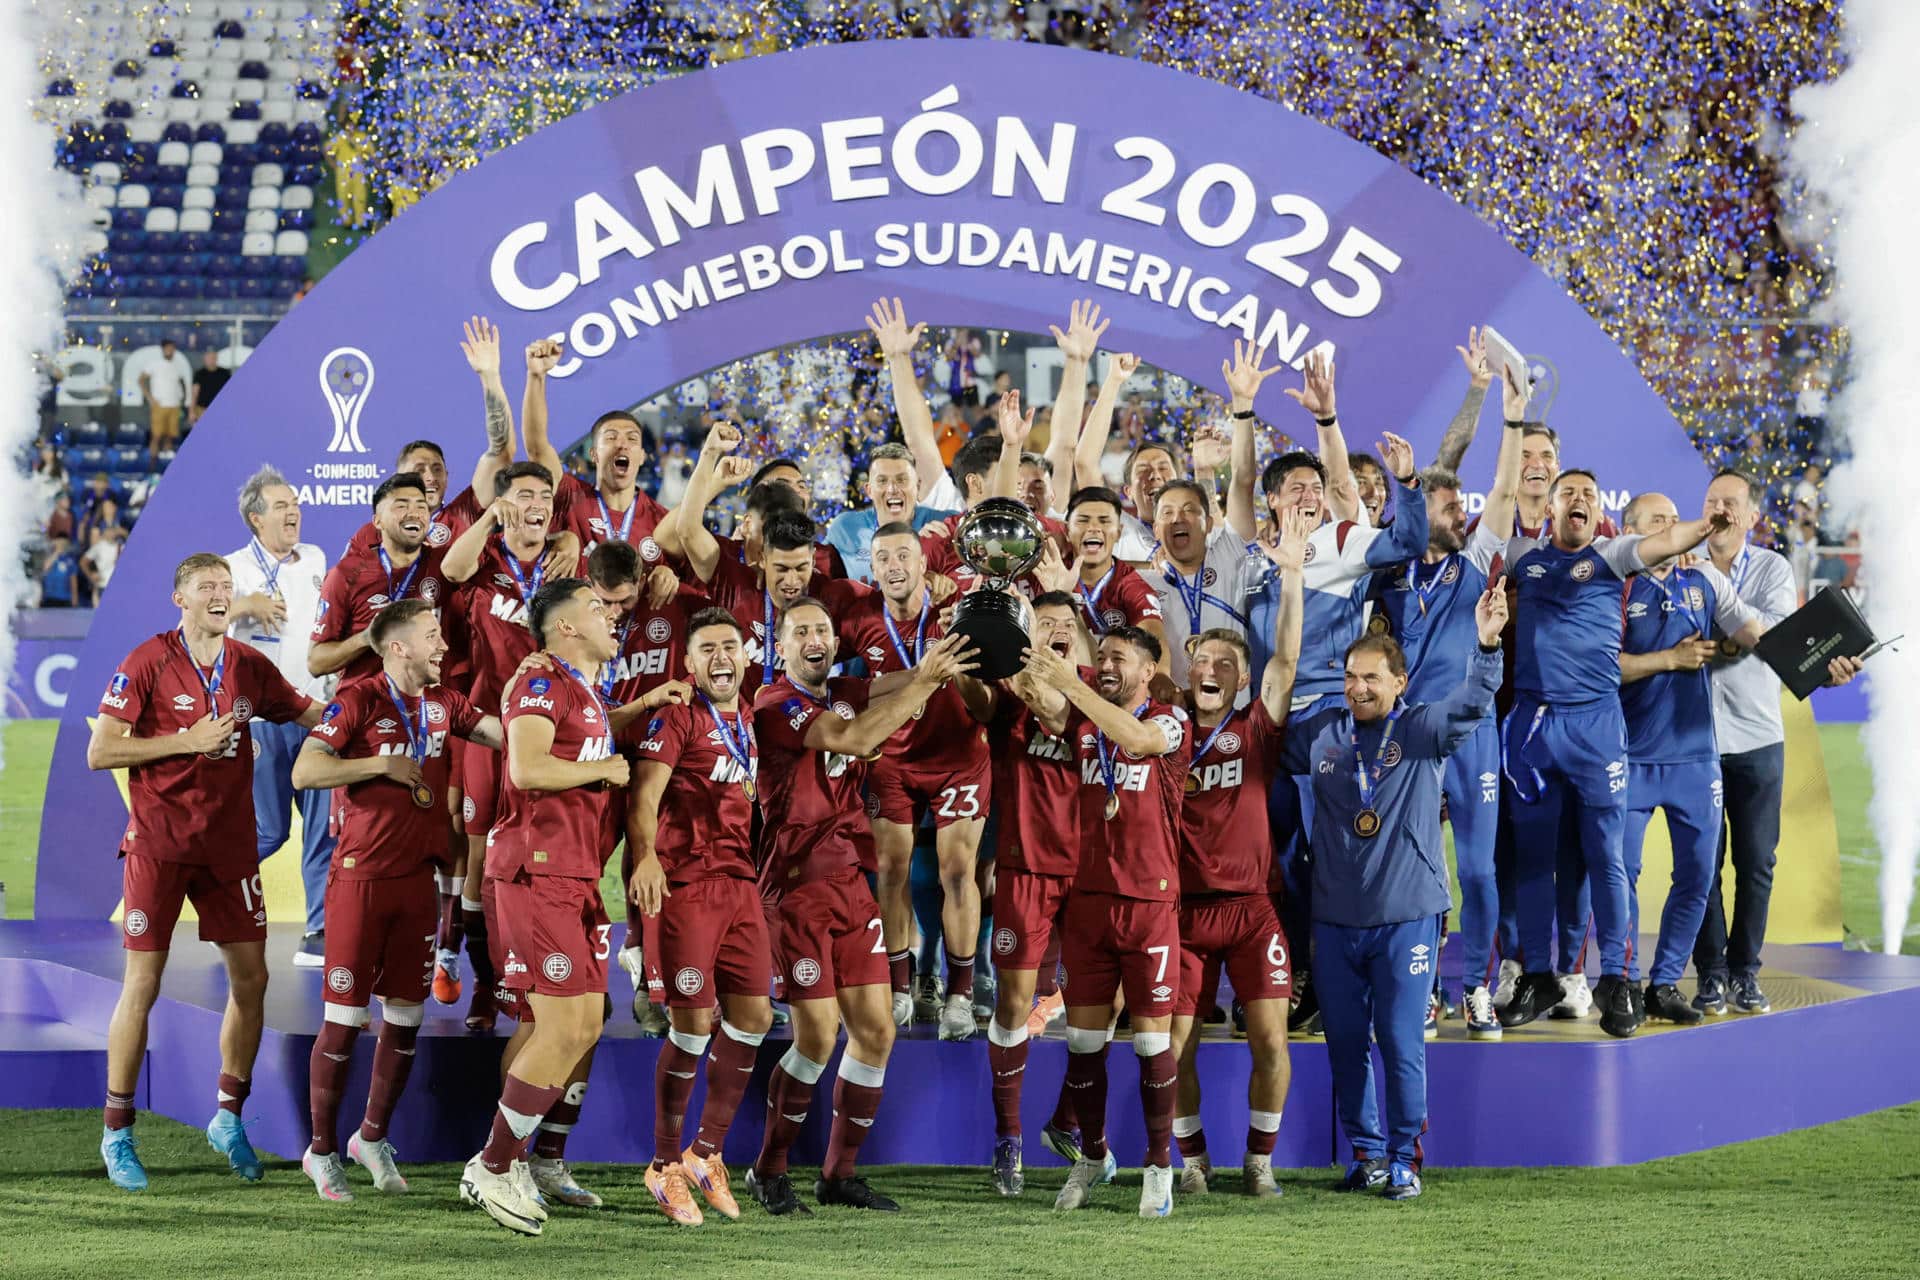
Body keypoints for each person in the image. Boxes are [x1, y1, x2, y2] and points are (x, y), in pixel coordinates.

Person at [1475, 375, 1747, 1038]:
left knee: (1604, 860)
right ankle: (1538, 976)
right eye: (1567, 492)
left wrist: (1704, 526)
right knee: (1536, 860)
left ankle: (1618, 983)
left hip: (1599, 726)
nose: (1577, 500)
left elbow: (1664, 543)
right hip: (1533, 727)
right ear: (1551, 504)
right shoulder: (1519, 556)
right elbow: (1502, 500)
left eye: (1587, 495)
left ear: (1597, 512)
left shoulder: (1612, 555)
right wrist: (1512, 427)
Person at [88, 553, 323, 1192]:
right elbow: (101, 750)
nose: (220, 595)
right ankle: (117, 1132)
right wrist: (185, 742)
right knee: (143, 982)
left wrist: (373, 721)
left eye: (226, 586)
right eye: (206, 587)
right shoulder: (147, 661)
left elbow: (306, 712)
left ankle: (227, 1115)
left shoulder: (248, 666)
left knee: (253, 980)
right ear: (179, 599)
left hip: (228, 851)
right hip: (159, 847)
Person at [745, 599, 972, 1216]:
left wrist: (942, 662)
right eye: (801, 632)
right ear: (779, 647)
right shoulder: (774, 704)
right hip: (794, 889)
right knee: (817, 1036)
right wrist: (925, 682)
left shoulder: (843, 687)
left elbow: (889, 685)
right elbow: (857, 736)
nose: (815, 638)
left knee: (876, 1030)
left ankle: (838, 1174)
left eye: (823, 629)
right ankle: (767, 1170)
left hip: (850, 882)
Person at [1295, 575, 1508, 1202]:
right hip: (1335, 920)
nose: (1359, 689)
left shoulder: (1421, 730)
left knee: (1397, 1039)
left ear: (1399, 683)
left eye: (1372, 679)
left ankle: (1404, 1156)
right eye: (1352, 678)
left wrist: (1487, 646)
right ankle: (1366, 1154)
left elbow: (1473, 702)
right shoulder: (1322, 736)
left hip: (1408, 916)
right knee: (1343, 1047)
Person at [291, 599, 503, 1201]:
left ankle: (372, 1138)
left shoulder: (444, 703)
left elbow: (501, 733)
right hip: (359, 882)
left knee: (406, 1018)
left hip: (418, 884)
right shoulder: (358, 699)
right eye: (432, 637)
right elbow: (306, 771)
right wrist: (380, 762)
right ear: (397, 648)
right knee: (345, 1020)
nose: (443, 646)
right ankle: (322, 1150)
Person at [462, 579, 637, 1236]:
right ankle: (493, 1163)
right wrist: (605, 772)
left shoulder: (584, 691)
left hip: (576, 874)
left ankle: (519, 1161)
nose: (611, 613)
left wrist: (643, 703)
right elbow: (527, 768)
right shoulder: (541, 684)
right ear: (564, 628)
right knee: (561, 1027)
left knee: (586, 1023)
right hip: (536, 871)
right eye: (597, 607)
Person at [1013, 626, 1190, 1219]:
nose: (1107, 666)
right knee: (1084, 1044)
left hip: (1149, 908)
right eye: (1103, 657)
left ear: (1147, 670)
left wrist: (1075, 685)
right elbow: (1036, 693)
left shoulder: (1170, 720)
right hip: (1088, 905)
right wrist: (1020, 637)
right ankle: (1092, 1156)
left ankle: (1160, 1166)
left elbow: (1135, 736)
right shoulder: (1084, 722)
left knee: (1149, 1043)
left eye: (1120, 658)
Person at [1168, 508, 1308, 1198]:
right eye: (1203, 659)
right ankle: (1193, 1162)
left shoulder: (1254, 728)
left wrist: (1291, 577)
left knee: (1272, 1042)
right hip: (1184, 914)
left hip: (1253, 910)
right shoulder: (1160, 734)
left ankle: (1259, 1163)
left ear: (1242, 678)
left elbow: (1285, 658)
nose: (1212, 667)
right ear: (1188, 669)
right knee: (1174, 1047)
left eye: (1226, 662)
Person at [624, 608, 774, 1226]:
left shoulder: (752, 717)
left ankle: (705, 1151)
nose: (720, 656)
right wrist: (647, 858)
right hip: (686, 887)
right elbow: (643, 796)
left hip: (740, 886)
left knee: (754, 1017)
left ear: (745, 655)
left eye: (730, 645)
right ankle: (661, 1165)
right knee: (689, 1030)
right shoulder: (678, 717)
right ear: (687, 663)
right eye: (707, 647)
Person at [1698, 468, 1859, 1013]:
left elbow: (1768, 640)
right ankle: (1711, 972)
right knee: (1701, 865)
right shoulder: (1678, 561)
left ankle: (1744, 969)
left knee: (1757, 862)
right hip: (1690, 739)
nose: (1718, 509)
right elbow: (1722, 637)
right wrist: (1738, 637)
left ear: (1751, 517)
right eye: (1711, 500)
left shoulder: (1770, 567)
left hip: (1756, 737)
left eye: (1729, 502)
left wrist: (1721, 630)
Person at [839, 523, 994, 1036]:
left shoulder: (958, 613)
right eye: (882, 558)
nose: (894, 566)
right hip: (893, 762)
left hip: (960, 759)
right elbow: (821, 671)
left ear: (925, 563)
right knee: (889, 870)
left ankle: (960, 994)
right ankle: (899, 988)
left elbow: (986, 707)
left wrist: (960, 654)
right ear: (872, 568)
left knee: (956, 873)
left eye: (904, 555)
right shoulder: (861, 618)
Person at [1616, 492, 1764, 1026]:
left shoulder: (1701, 579)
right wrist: (1669, 659)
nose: (1674, 529)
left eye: (1676, 521)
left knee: (1699, 874)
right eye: (1660, 521)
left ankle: (1663, 984)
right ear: (1630, 532)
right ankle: (1624, 982)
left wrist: (1822, 654)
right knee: (1620, 876)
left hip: (1694, 758)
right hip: (1629, 756)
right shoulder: (1617, 581)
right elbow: (1602, 668)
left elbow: (1755, 634)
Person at [1368, 464, 1504, 1037]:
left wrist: (1509, 407)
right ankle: (1424, 990)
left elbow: (1500, 494)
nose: (1460, 517)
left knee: (1477, 868)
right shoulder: (1385, 575)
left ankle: (1476, 987)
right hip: (1413, 739)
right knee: (1417, 870)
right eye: (1447, 510)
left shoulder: (1474, 560)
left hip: (1472, 733)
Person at [440, 461, 572, 1031]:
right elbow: (449, 565)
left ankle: (543, 977)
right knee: (477, 865)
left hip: (548, 732)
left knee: (540, 859)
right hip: (487, 731)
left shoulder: (568, 561)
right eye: (524, 495)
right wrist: (492, 515)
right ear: (503, 505)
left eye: (545, 495)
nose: (537, 503)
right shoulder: (487, 562)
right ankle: (487, 987)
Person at [981, 592, 1100, 1196]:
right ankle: (1009, 1137)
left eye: (1065, 625)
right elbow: (977, 700)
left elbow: (1062, 717)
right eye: (1044, 624)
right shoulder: (1007, 694)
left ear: (1078, 638)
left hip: (1092, 872)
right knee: (1012, 1003)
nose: (1056, 632)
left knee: (1101, 1001)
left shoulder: (1096, 692)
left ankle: (1067, 1120)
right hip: (1025, 867)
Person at [226, 465, 334, 967]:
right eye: (282, 506)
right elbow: (191, 624)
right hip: (260, 721)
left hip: (312, 712)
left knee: (322, 827)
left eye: (295, 503)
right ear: (255, 518)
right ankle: (216, 893)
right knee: (269, 830)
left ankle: (320, 930)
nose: (295, 511)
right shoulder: (230, 570)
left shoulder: (314, 559)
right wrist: (239, 606)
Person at [521, 335, 667, 560]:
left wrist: (670, 577)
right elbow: (537, 448)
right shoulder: (570, 496)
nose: (621, 444)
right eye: (611, 437)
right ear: (594, 454)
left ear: (642, 457)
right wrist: (536, 376)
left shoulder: (661, 522)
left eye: (632, 439)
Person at [310, 474, 448, 687]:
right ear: (377, 520)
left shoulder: (446, 567)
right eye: (401, 506)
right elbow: (316, 662)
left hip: (426, 710)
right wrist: (367, 638)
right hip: (364, 710)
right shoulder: (346, 575)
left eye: (421, 507)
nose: (414, 513)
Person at [139, 337, 193, 457]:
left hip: (174, 405)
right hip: (160, 405)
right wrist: (150, 398)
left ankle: (166, 463)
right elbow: (141, 380)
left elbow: (182, 384)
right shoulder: (154, 365)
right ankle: (152, 464)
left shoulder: (178, 366)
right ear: (163, 350)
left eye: (172, 349)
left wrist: (182, 399)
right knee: (156, 436)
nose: (170, 351)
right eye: (168, 348)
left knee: (170, 436)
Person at [191, 349, 230, 426]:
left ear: (216, 359)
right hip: (202, 410)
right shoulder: (199, 374)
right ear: (205, 359)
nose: (211, 360)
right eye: (208, 358)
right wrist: (191, 411)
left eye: (213, 358)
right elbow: (195, 393)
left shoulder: (225, 373)